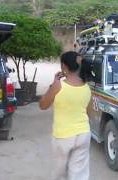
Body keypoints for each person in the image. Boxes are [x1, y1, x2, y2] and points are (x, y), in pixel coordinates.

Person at [39, 51, 91, 180]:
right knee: (79, 174)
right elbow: (87, 111)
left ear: (63, 66)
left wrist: (53, 84)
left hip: (63, 136)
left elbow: (43, 105)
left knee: (58, 173)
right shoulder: (87, 87)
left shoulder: (58, 86)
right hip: (84, 134)